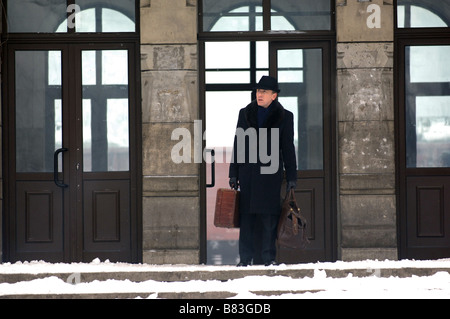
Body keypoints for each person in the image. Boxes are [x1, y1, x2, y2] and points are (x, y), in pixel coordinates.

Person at [229, 76, 297, 266]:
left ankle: (269, 258)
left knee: (269, 219)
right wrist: (233, 172)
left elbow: (288, 148)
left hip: (270, 174)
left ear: (274, 95)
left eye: (264, 92)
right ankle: (245, 259)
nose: (259, 95)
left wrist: (292, 176)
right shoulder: (245, 113)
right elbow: (238, 143)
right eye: (258, 91)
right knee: (247, 218)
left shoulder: (285, 116)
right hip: (248, 174)